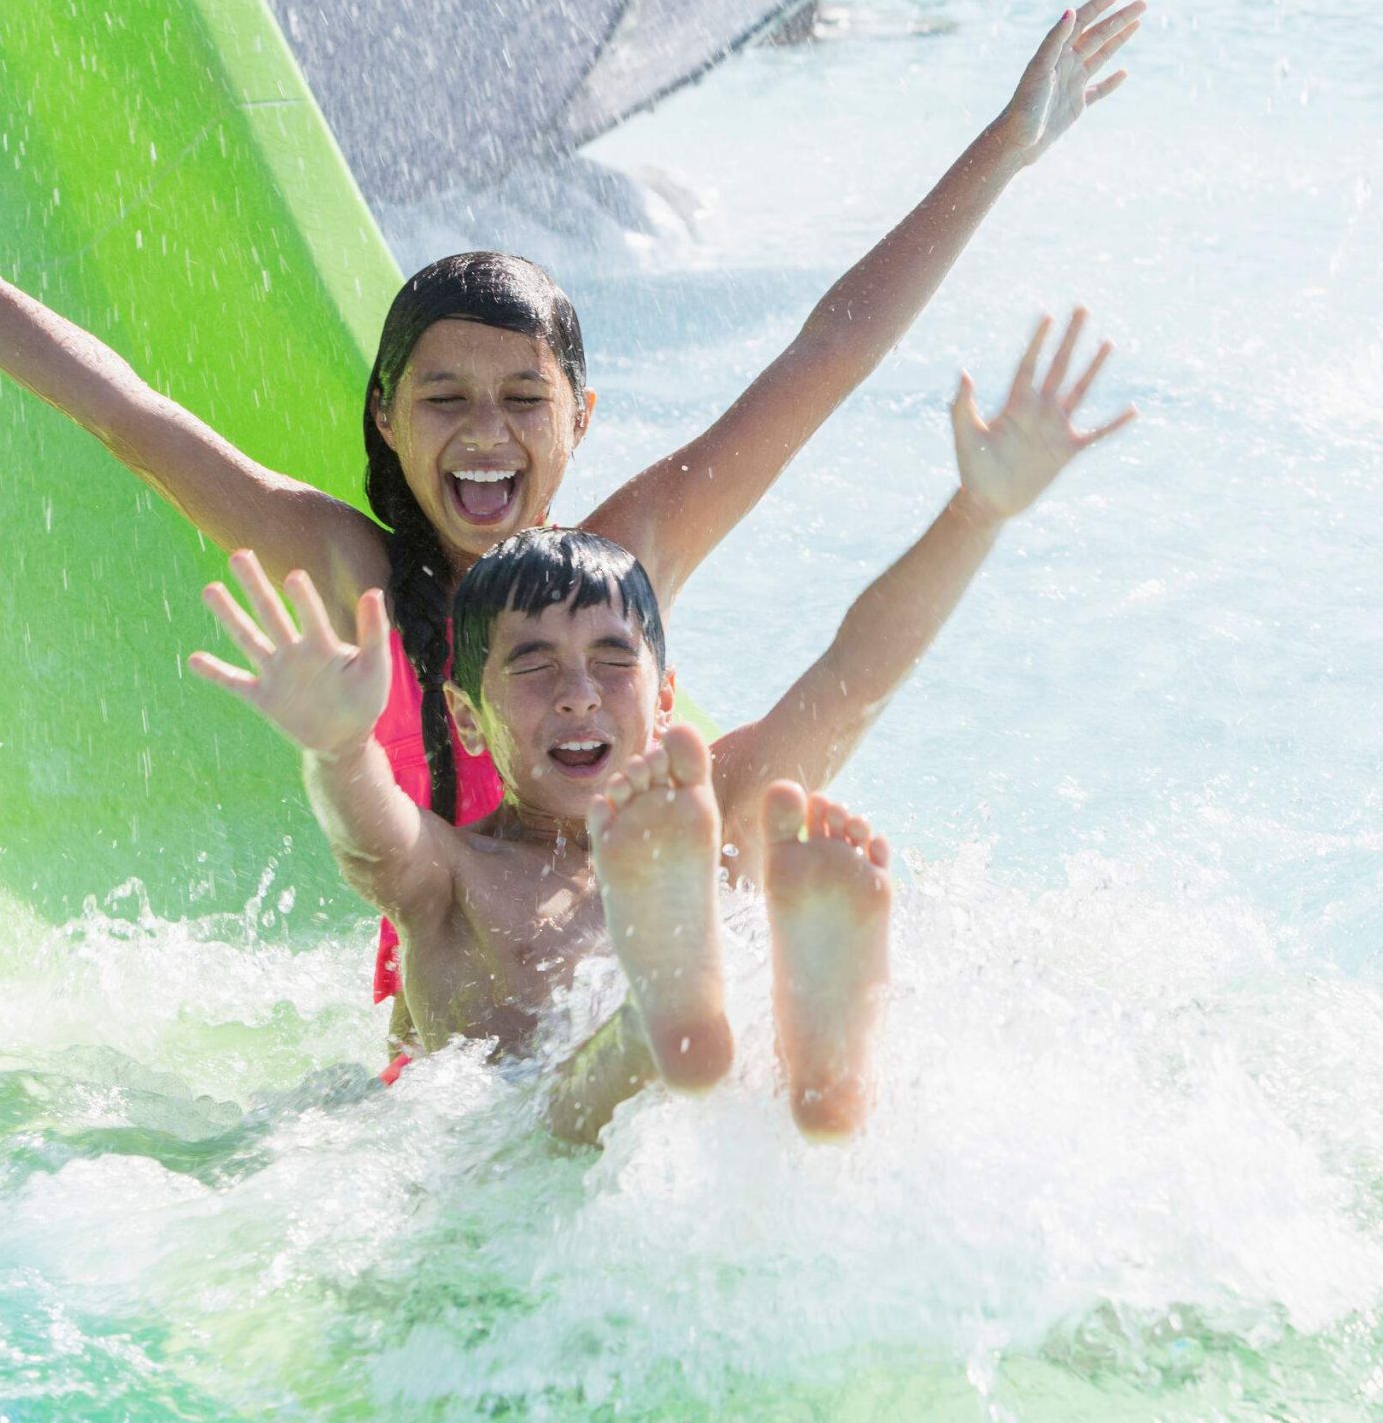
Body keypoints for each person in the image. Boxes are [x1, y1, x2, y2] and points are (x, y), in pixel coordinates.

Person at [0, 0, 1145, 1016]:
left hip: (637, 895)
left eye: (524, 398)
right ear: (386, 421)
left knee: (748, 796)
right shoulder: (350, 567)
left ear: (582, 416)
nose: (485, 434)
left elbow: (825, 355)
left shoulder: (628, 553)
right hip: (460, 962)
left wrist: (1006, 147)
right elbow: (124, 412)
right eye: (442, 398)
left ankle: (776, 1007)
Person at [186, 312, 1132, 1141]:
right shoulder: (447, 874)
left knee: (762, 1095)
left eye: (610, 660)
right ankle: (674, 1018)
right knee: (533, 1114)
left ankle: (812, 1060)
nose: (579, 693)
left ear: (665, 695)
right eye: (533, 664)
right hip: (526, 1153)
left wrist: (978, 511)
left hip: (677, 1138)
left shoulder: (709, 804)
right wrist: (338, 745)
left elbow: (856, 675)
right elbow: (364, 827)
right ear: (465, 721)